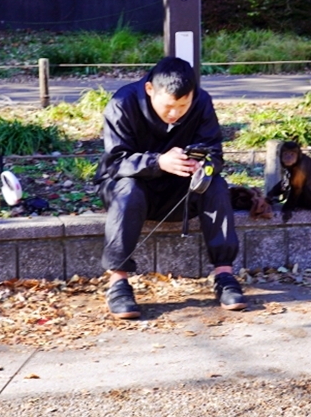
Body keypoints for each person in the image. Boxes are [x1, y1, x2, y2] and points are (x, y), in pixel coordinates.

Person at [95, 56, 246, 319]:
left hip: (181, 188)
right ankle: (118, 281)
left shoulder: (201, 102)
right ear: (150, 89)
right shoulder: (122, 103)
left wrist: (203, 165)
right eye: (168, 106)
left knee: (216, 185)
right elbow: (114, 163)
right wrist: (158, 161)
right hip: (130, 186)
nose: (175, 113)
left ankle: (224, 274)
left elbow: (215, 155)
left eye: (183, 105)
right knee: (128, 190)